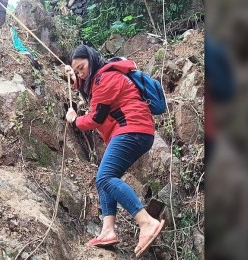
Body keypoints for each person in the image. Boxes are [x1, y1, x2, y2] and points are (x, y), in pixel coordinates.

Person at [64, 44, 165, 257]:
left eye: (81, 67)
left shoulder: (106, 78)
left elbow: (96, 118)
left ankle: (146, 222)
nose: (81, 73)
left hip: (133, 129)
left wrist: (75, 121)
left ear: (91, 60)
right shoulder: (98, 78)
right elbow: (86, 86)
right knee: (105, 179)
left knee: (105, 177)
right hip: (132, 131)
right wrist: (73, 76)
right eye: (77, 70)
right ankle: (108, 230)